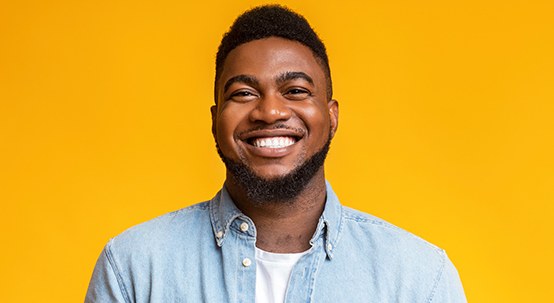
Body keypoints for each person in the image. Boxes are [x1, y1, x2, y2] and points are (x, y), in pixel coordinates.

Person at [86, 5, 466, 303]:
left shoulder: (419, 278)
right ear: (216, 120)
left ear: (331, 116)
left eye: (296, 91)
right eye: (243, 93)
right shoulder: (134, 268)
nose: (270, 112)